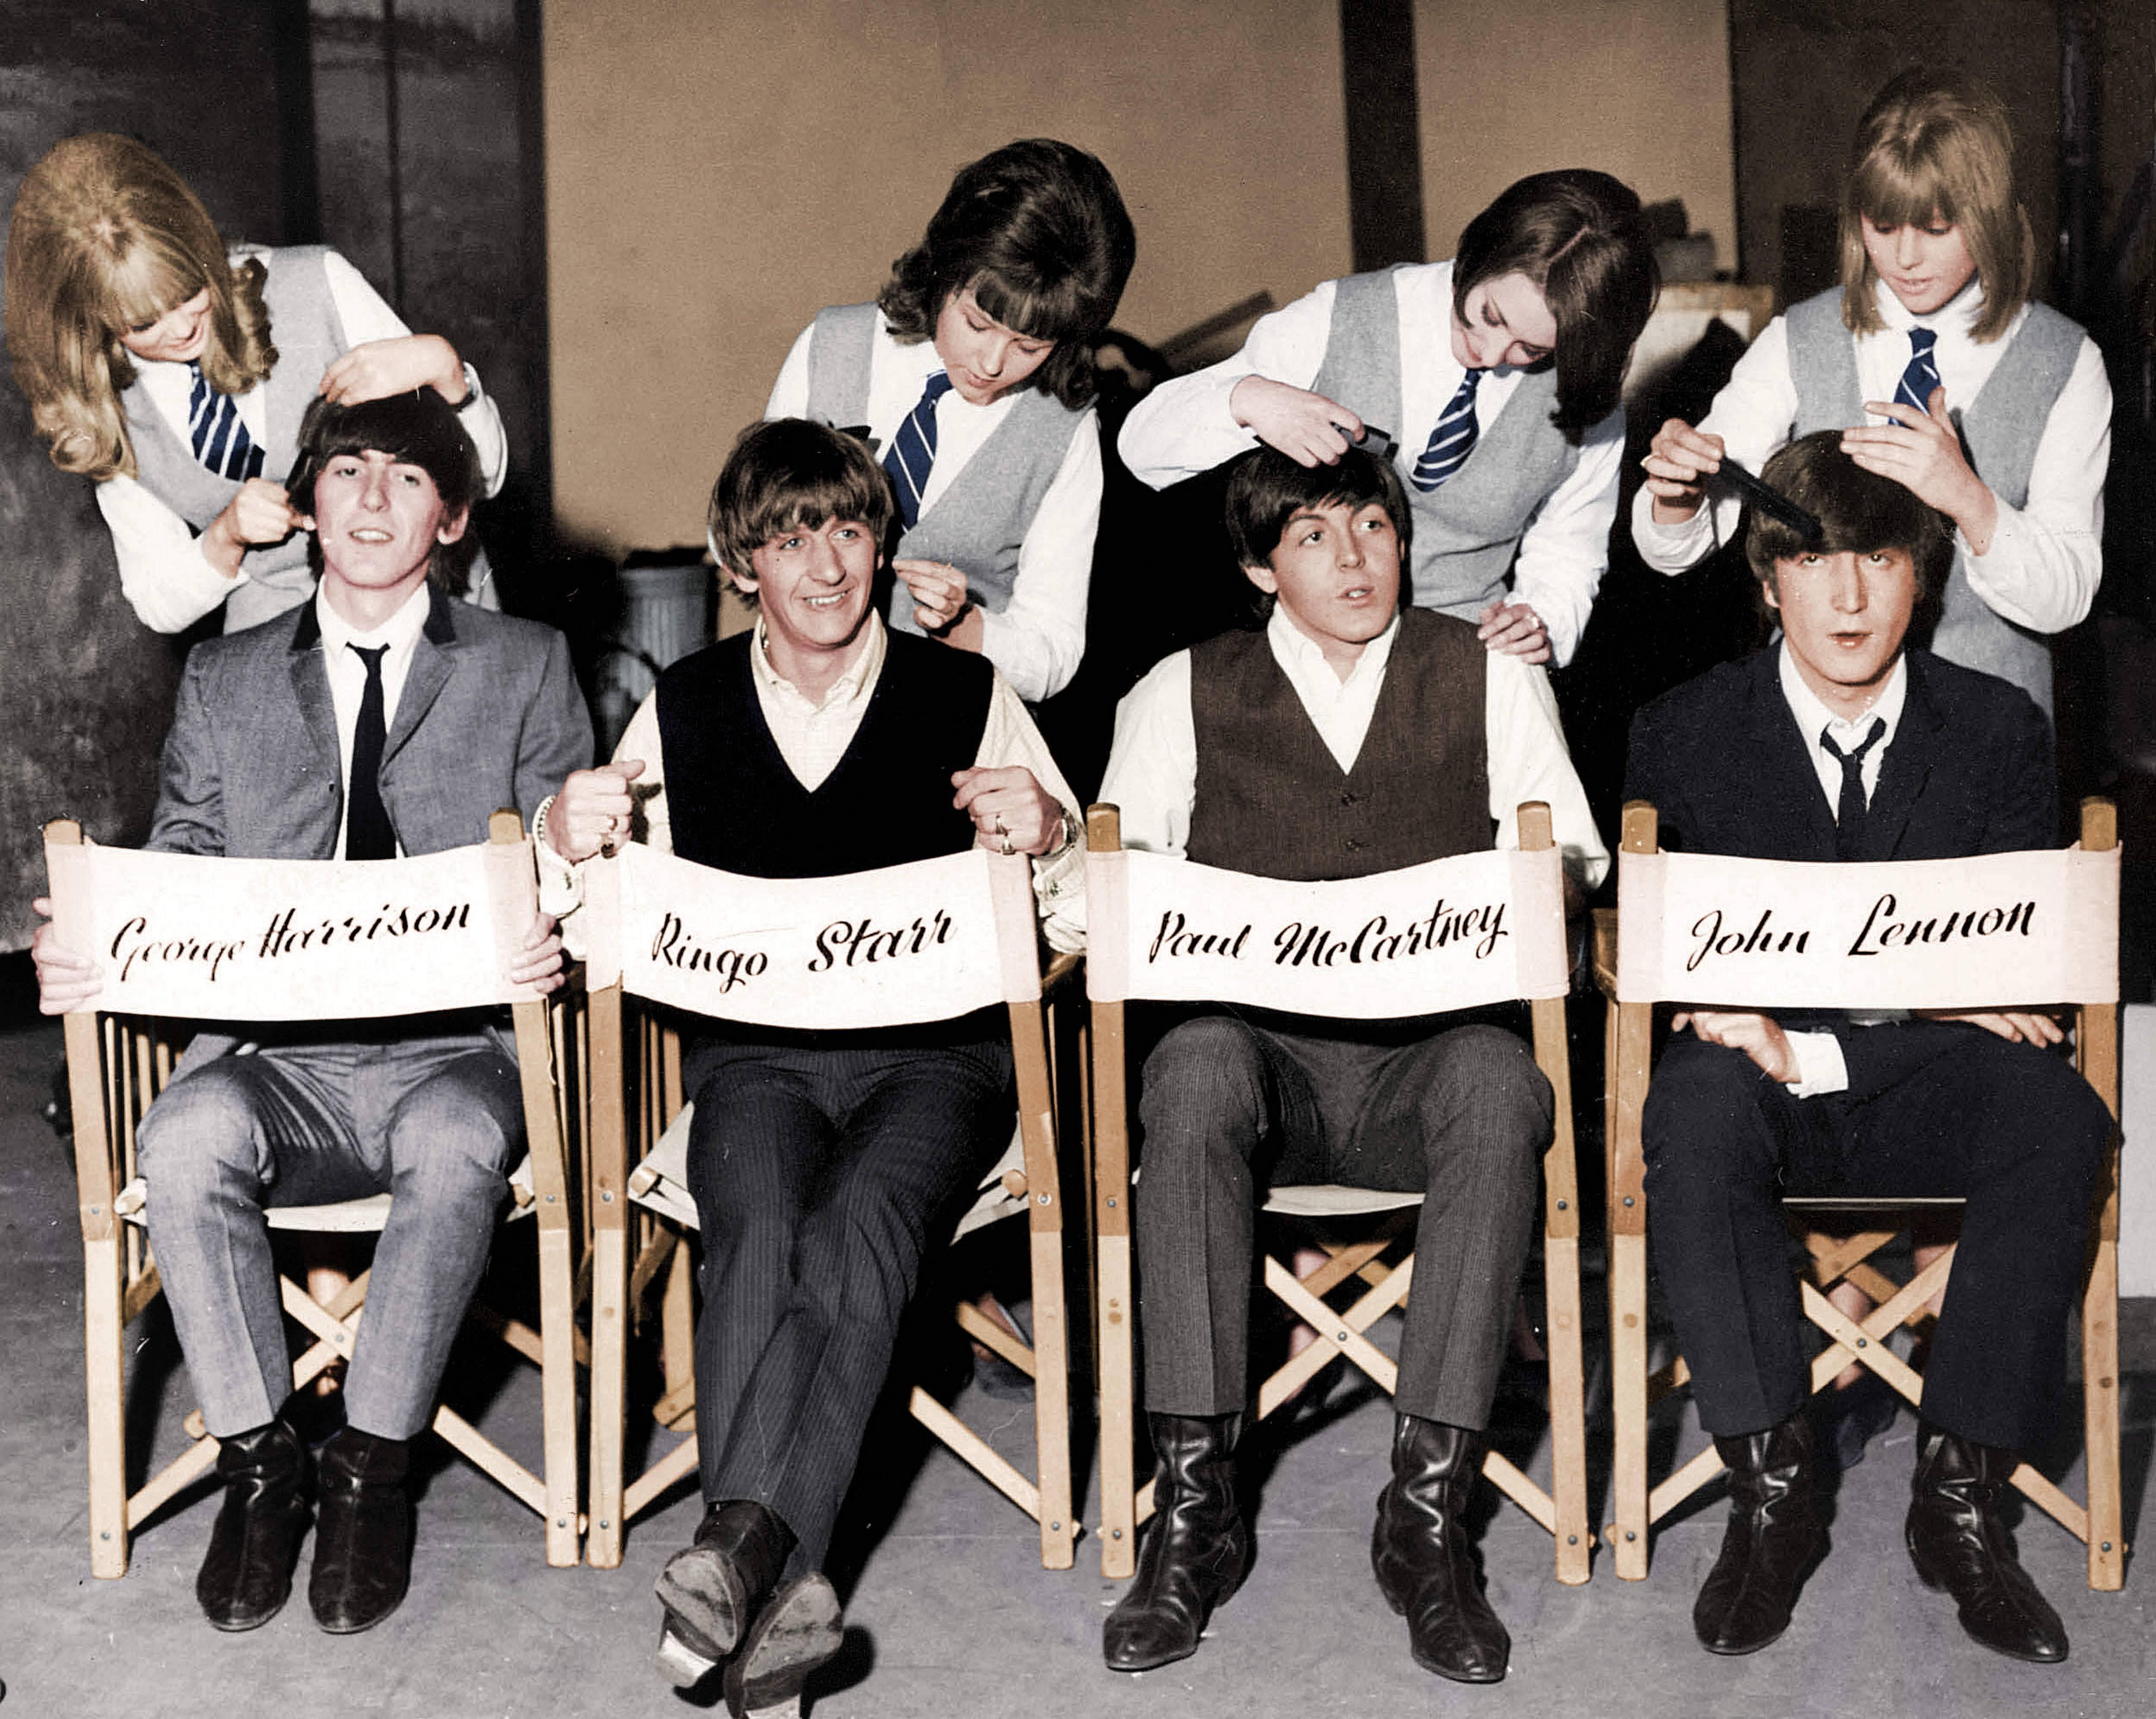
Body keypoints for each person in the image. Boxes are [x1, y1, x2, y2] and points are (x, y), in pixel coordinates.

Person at [27, 388, 592, 1635]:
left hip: (456, 1053)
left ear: (450, 518)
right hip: (277, 1055)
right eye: (346, 475)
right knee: (180, 1137)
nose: (372, 499)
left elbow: (577, 861)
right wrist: (87, 938)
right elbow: (173, 863)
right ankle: (263, 1465)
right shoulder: (225, 678)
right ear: (309, 508)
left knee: (453, 1146)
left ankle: (371, 1468)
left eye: (405, 479)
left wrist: (560, 902)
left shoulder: (525, 663)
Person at [541, 418, 1083, 1713]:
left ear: (882, 541)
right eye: (788, 538)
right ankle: (775, 1598)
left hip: (936, 1062)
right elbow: (581, 910)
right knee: (761, 1219)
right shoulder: (684, 705)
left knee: (858, 1220)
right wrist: (571, 833)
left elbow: (1075, 908)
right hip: (758, 1062)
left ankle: (738, 1551)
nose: (824, 564)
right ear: (741, 563)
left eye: (846, 528)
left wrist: (1048, 829)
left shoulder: (968, 690)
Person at [1095, 444, 1606, 1685]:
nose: (1354, 557)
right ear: (1259, 565)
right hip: (1260, 1061)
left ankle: (1423, 1520)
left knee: (1501, 1081)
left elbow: (1574, 861)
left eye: (1372, 525)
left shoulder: (1483, 673)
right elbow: (1102, 893)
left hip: (1418, 1068)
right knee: (1192, 1069)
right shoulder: (1180, 690)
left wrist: (1515, 892)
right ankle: (1193, 1511)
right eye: (1314, 535)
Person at [1624, 432, 2110, 1664]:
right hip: (1757, 1094)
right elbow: (1671, 985)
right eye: (1815, 560)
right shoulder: (1680, 729)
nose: (1847, 596)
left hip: (1912, 1088)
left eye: (1881, 558)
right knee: (1691, 1099)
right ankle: (1771, 1492)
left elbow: (2021, 1000)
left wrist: (1813, 1038)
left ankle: (1958, 1503)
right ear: (1765, 574)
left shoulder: (1996, 730)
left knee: (2053, 1109)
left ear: (1922, 574)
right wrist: (1918, 1000)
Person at [1633, 68, 2111, 719]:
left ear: (1992, 220)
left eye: (1937, 229)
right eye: (1882, 227)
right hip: (1813, 730)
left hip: (1987, 738)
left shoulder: (2068, 363)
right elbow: (1673, 550)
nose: (1906, 257)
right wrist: (1676, 496)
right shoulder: (1795, 341)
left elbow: (2067, 598)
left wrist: (1968, 501)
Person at [1118, 170, 1658, 669]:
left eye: (1532, 350)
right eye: (1490, 316)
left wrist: (1543, 620)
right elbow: (1142, 448)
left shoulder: (1583, 389)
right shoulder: (1336, 318)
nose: (1492, 354)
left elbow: (1571, 546)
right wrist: (1247, 398)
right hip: (1309, 665)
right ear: (1482, 251)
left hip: (1465, 663)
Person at [4, 131, 510, 634]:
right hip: (278, 650)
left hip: (433, 616)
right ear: (88, 326)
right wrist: (225, 537)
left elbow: (483, 477)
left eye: (187, 292)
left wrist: (446, 372)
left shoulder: (315, 287)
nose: (182, 329)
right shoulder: (104, 410)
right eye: (142, 325)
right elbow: (158, 602)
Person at [764, 137, 1136, 705]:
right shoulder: (831, 348)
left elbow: (1054, 652)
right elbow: (735, 538)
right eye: (978, 324)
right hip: (799, 703)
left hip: (952, 725)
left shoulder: (1064, 431)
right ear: (943, 270)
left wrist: (964, 628)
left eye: (1030, 345)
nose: (992, 365)